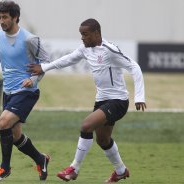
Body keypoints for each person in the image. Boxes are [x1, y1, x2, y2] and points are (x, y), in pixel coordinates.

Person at [27, 18, 146, 183]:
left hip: (118, 101)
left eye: (85, 34)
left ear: (96, 33)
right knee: (103, 140)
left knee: (86, 126)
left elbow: (134, 67)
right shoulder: (85, 49)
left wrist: (139, 96)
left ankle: (74, 169)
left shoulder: (109, 50)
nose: (82, 38)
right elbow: (67, 59)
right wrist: (45, 67)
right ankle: (121, 171)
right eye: (81, 34)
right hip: (102, 100)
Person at [0, 0, 50, 181]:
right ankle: (41, 159)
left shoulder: (29, 39)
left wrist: (32, 79)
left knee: (2, 123)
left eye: (5, 17)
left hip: (27, 92)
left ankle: (5, 168)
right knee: (16, 137)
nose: (2, 21)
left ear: (15, 17)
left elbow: (47, 62)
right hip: (8, 92)